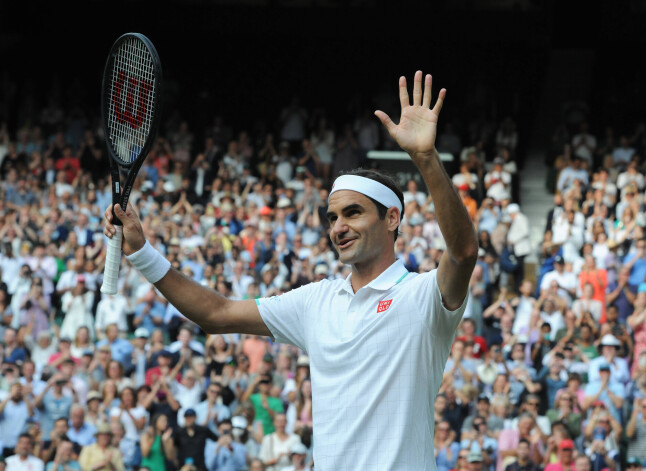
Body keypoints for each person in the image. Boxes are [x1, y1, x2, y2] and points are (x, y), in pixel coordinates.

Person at [104, 71, 477, 470]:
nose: (338, 227)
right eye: (332, 217)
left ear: (391, 219)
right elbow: (217, 314)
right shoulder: (316, 301)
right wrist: (142, 252)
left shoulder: (421, 296)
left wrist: (425, 159)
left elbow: (463, 251)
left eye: (353, 213)